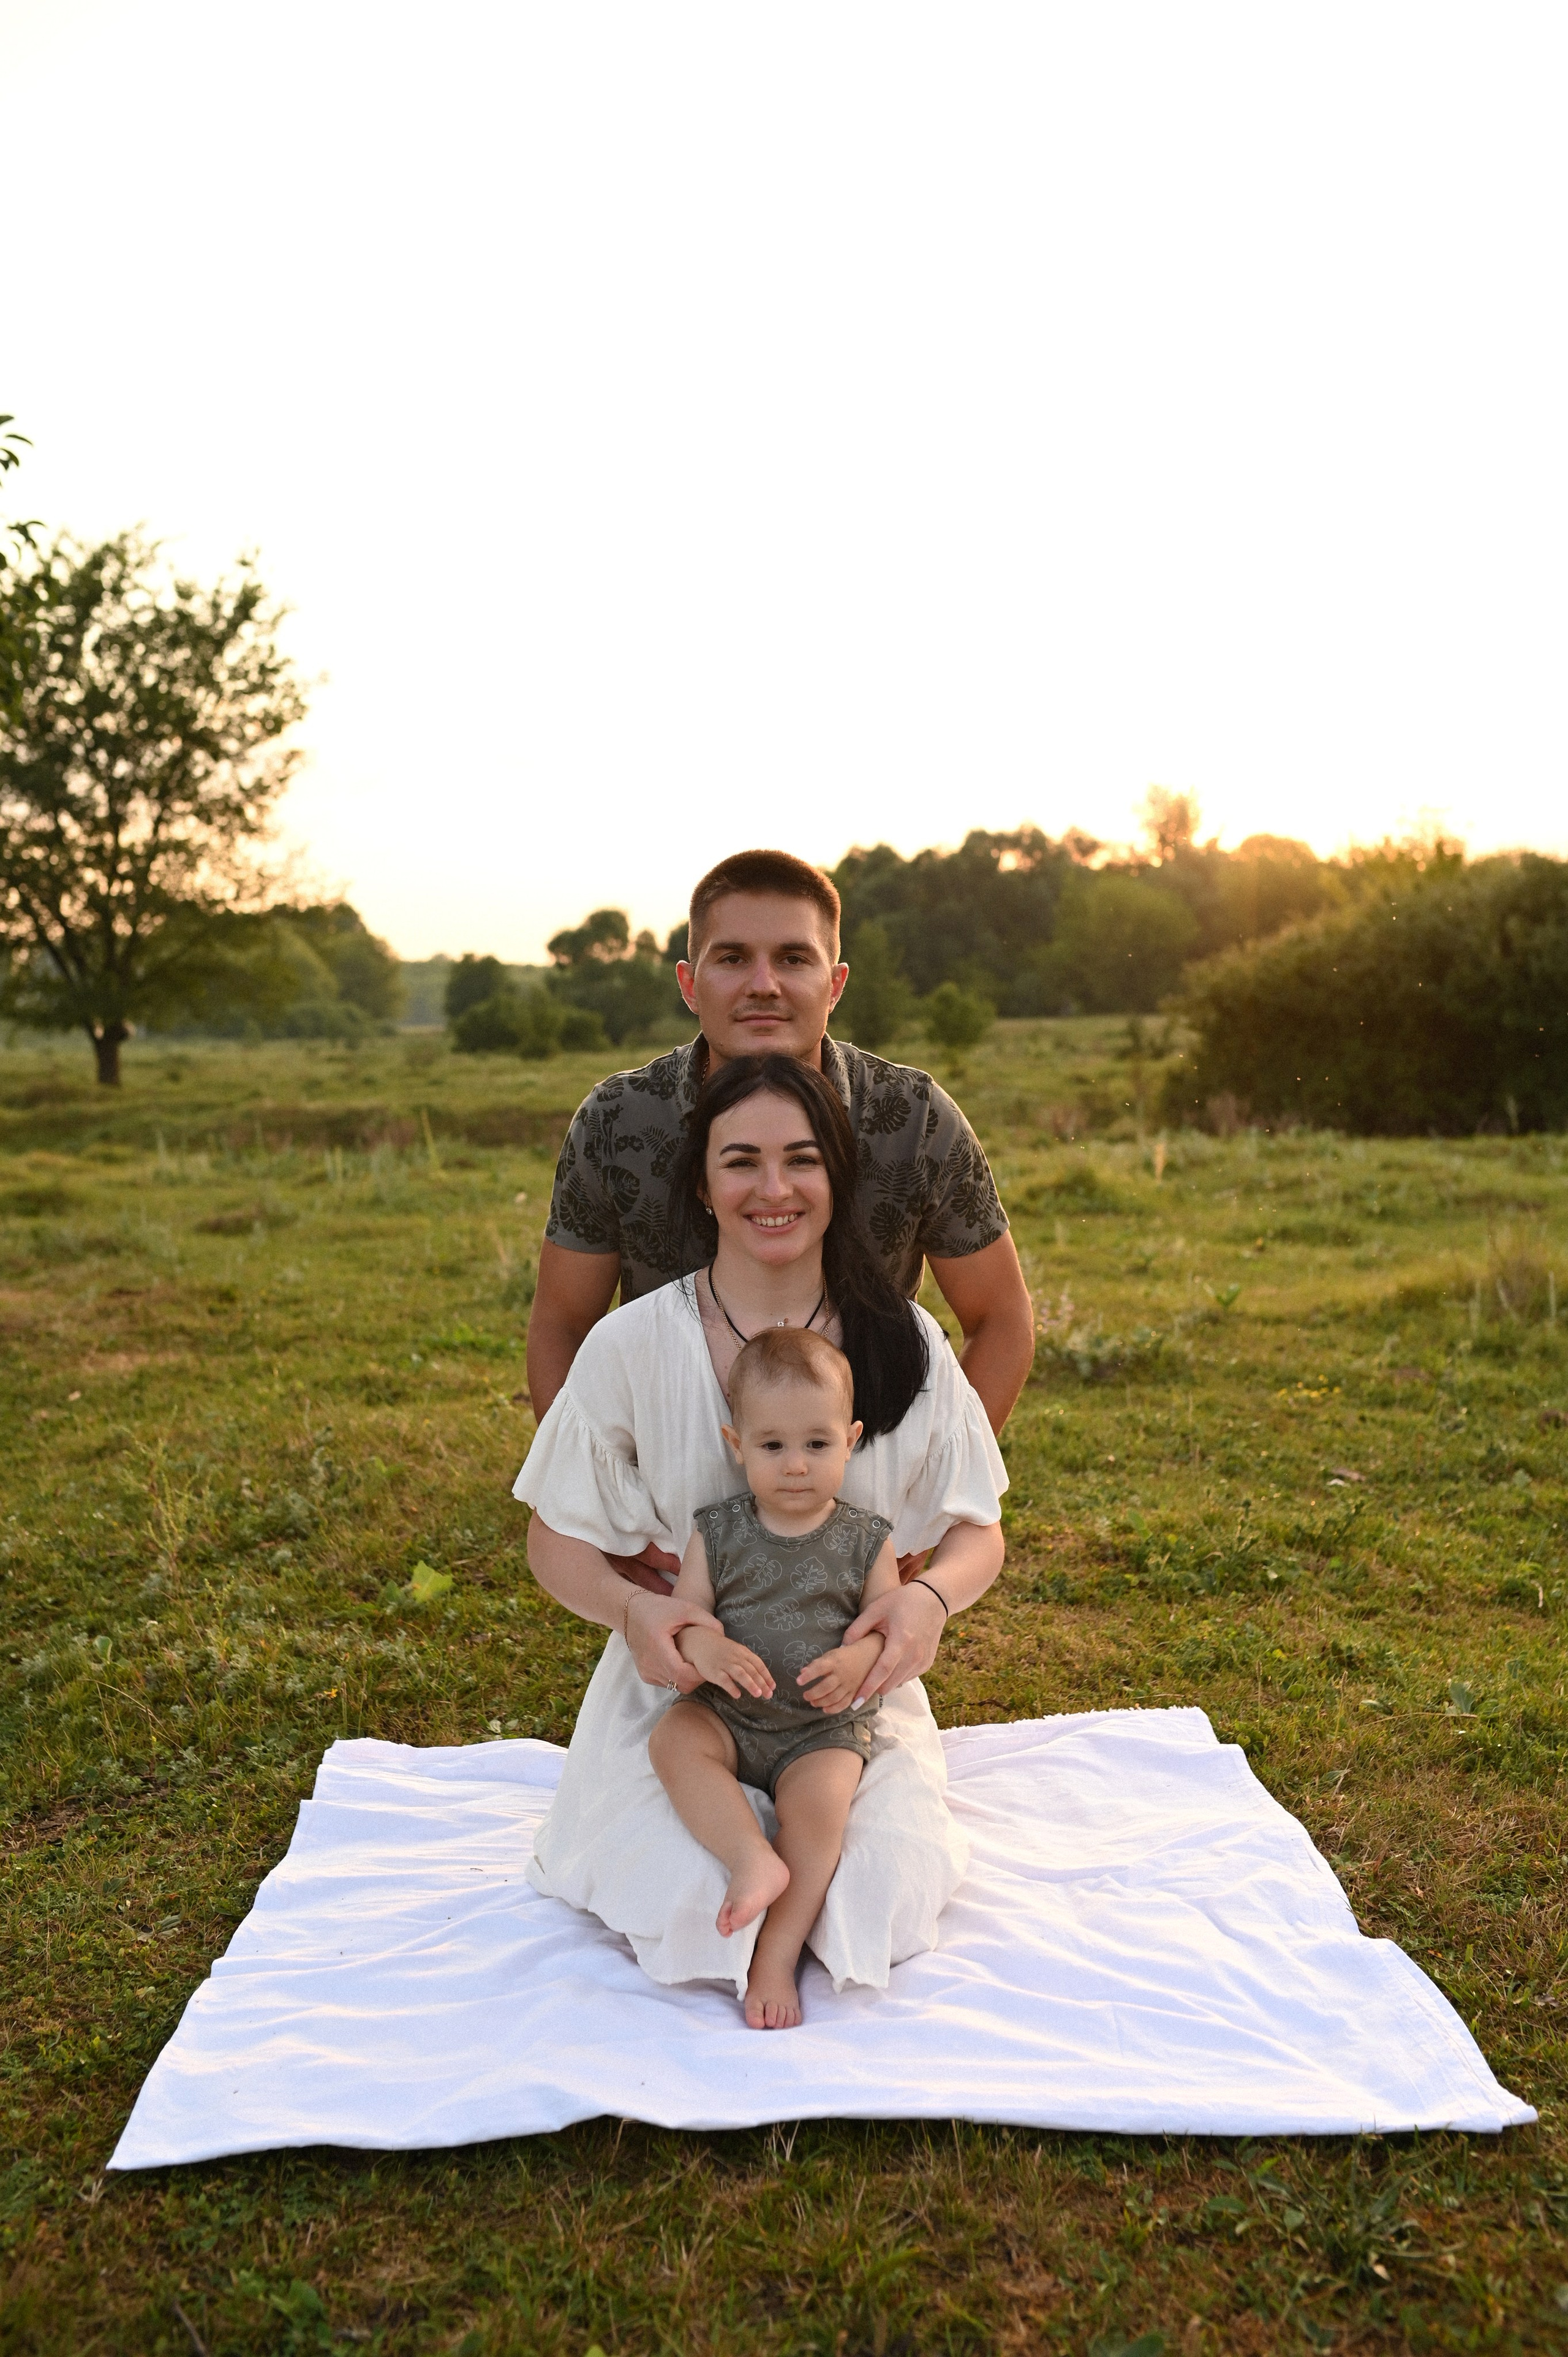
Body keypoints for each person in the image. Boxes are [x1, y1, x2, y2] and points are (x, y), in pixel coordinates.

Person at [516, 1052, 1006, 1998]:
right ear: (702, 1186)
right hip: (682, 1698)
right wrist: (636, 1612)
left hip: (849, 1699)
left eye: (803, 1160)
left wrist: (930, 1602)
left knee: (877, 1901)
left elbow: (978, 1533)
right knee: (692, 1906)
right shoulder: (632, 1344)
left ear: (838, 1178)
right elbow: (554, 1540)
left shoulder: (905, 1340)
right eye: (741, 1161)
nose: (773, 1189)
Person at [527, 847, 1035, 1457]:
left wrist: (938, 1484)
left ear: (835, 985)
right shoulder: (617, 1119)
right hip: (665, 1464)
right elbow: (562, 1324)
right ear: (689, 984)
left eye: (793, 959)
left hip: (859, 1463)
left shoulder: (915, 1118)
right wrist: (598, 1492)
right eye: (732, 958)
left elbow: (1000, 1318)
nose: (763, 985)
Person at [652, 1327, 903, 2029]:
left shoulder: (866, 1539)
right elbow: (686, 1615)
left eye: (817, 1444)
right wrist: (705, 1648)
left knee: (821, 1816)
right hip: (728, 1714)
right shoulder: (717, 1530)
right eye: (772, 1445)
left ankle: (776, 1954)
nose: (795, 1464)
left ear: (850, 1440)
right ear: (737, 1445)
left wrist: (858, 1660)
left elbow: (887, 1628)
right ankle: (750, 1858)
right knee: (673, 1740)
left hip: (820, 1727)